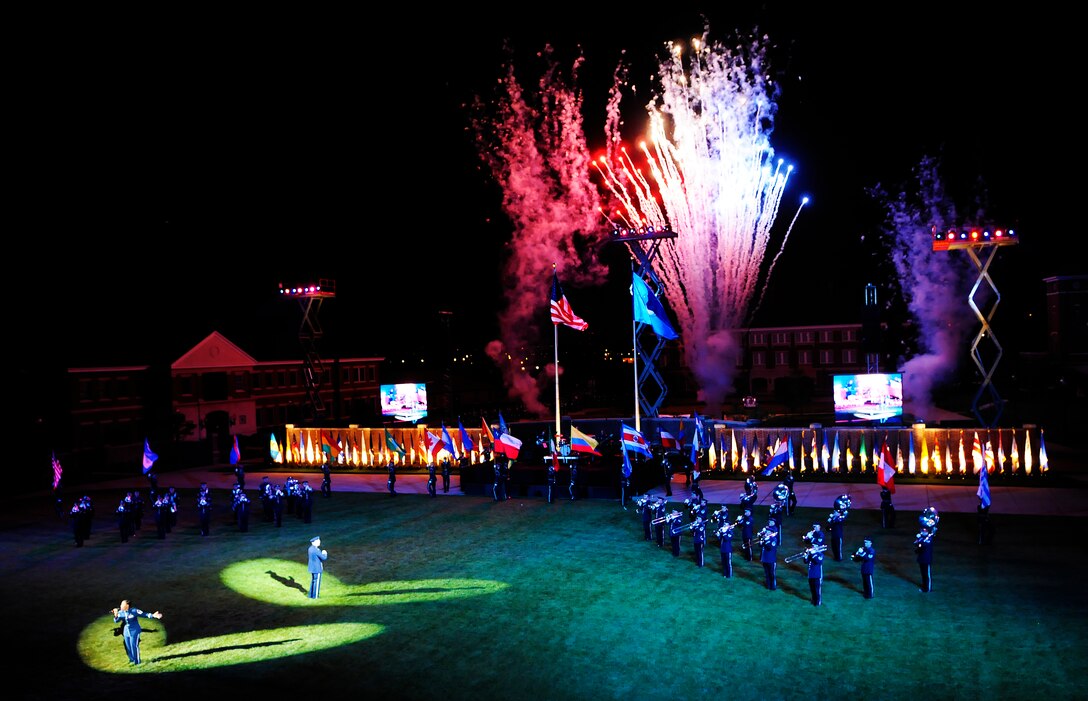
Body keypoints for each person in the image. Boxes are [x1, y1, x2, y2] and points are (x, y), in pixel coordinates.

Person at [112, 600, 163, 666]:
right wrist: (115, 614)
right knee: (128, 647)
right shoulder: (121, 612)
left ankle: (137, 662)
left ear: (127, 605)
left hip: (134, 631)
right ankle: (131, 659)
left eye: (122, 604)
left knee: (134, 646)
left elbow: (144, 614)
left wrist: (153, 615)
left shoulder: (134, 611)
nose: (120, 606)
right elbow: (116, 621)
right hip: (126, 632)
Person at [759, 519, 779, 590]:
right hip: (765, 558)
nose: (766, 533)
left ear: (771, 532)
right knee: (766, 573)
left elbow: (769, 547)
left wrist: (764, 542)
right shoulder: (765, 538)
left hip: (771, 559)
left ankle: (773, 586)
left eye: (768, 531)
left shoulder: (773, 539)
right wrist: (761, 542)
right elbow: (760, 545)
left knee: (771, 574)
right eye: (766, 531)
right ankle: (768, 585)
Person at [916, 526, 935, 593]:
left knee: (927, 575)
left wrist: (919, 542)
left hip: (926, 559)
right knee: (923, 574)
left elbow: (924, 545)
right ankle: (924, 587)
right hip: (921, 559)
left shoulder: (929, 539)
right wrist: (918, 543)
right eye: (922, 531)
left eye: (924, 531)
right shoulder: (922, 538)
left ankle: (928, 588)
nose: (923, 532)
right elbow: (918, 546)